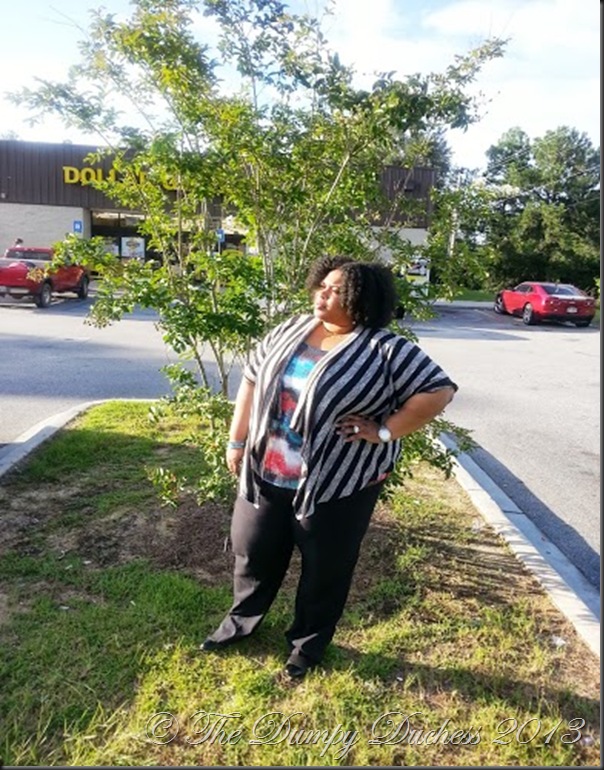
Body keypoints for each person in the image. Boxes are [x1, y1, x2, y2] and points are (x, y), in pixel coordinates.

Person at [201, 255, 458, 679]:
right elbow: (250, 379)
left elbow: (438, 391)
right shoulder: (290, 330)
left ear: (360, 299)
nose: (322, 294)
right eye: (322, 285)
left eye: (335, 290)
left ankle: (306, 647)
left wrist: (384, 431)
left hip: (339, 482)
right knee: (253, 551)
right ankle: (240, 625)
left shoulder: (384, 350)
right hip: (267, 471)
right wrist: (236, 440)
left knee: (326, 569)